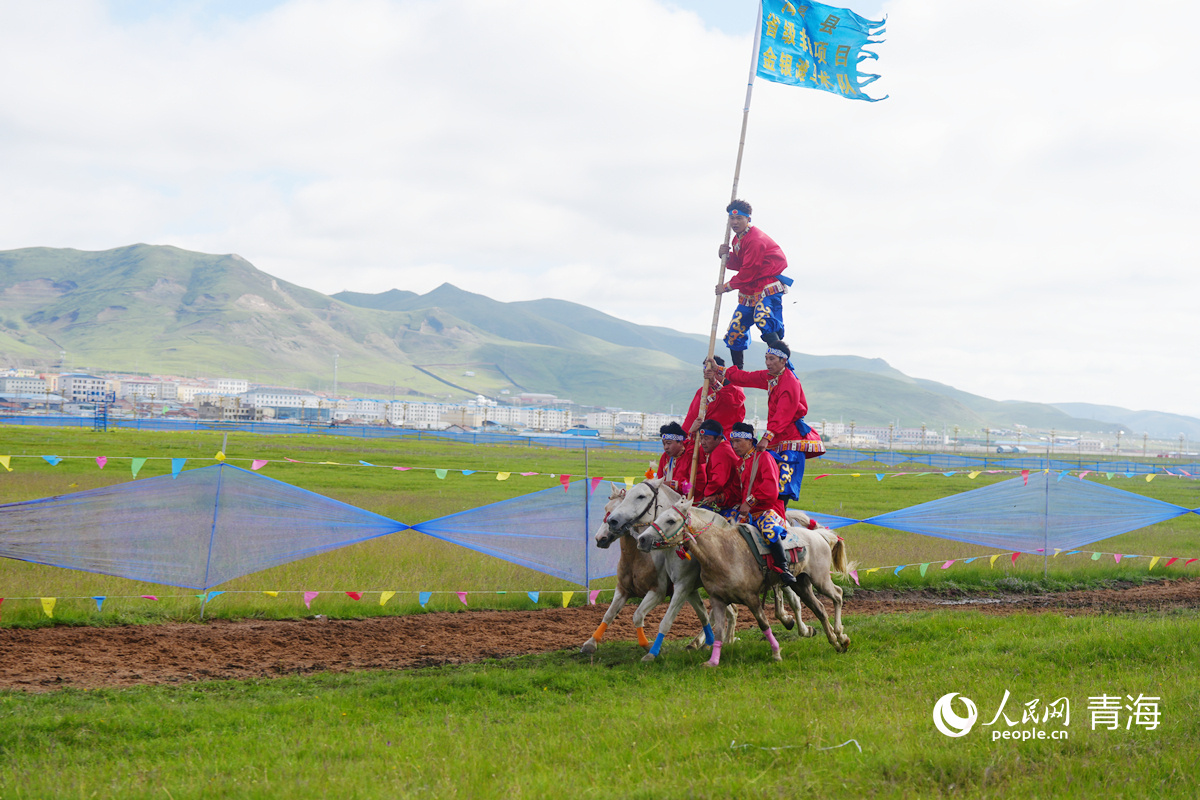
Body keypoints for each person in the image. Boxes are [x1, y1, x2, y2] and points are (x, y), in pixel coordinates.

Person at [710, 340, 818, 507]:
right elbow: (745, 378)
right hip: (777, 436)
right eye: (766, 358)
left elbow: (784, 413)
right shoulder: (771, 377)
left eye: (772, 359)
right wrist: (719, 369)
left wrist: (767, 436)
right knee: (766, 478)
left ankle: (780, 522)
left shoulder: (789, 381)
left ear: (783, 361)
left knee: (782, 486)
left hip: (790, 438)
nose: (768, 363)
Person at [715, 200, 790, 369]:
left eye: (739, 218)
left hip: (765, 285)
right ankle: (738, 374)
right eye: (732, 219)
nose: (734, 222)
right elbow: (741, 264)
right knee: (735, 329)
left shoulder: (755, 239)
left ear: (748, 219)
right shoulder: (738, 239)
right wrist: (725, 256)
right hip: (749, 289)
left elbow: (749, 270)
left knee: (763, 319)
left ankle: (783, 367)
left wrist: (726, 287)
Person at [728, 421, 795, 585]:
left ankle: (783, 569)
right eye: (732, 442)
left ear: (750, 441)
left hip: (768, 509)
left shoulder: (764, 457)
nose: (734, 446)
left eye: (738, 441)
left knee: (769, 529)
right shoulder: (741, 463)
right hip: (747, 512)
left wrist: (750, 502)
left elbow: (771, 488)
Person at [681, 355, 746, 440]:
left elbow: (734, 402)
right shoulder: (702, 391)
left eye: (710, 369)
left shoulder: (734, 386)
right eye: (704, 368)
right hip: (705, 441)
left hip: (727, 440)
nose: (706, 372)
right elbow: (692, 417)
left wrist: (715, 383)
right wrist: (685, 437)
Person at [695, 418, 741, 514]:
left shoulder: (720, 452)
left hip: (730, 501)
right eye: (701, 438)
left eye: (706, 438)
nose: (703, 442)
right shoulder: (722, 447)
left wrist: (706, 495)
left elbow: (718, 481)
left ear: (719, 438)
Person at [656, 421, 705, 495]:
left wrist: (672, 484)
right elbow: (659, 479)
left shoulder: (691, 456)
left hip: (689, 502)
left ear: (680, 443)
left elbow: (697, 486)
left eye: (668, 443)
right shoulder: (665, 457)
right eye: (664, 444)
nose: (665, 447)